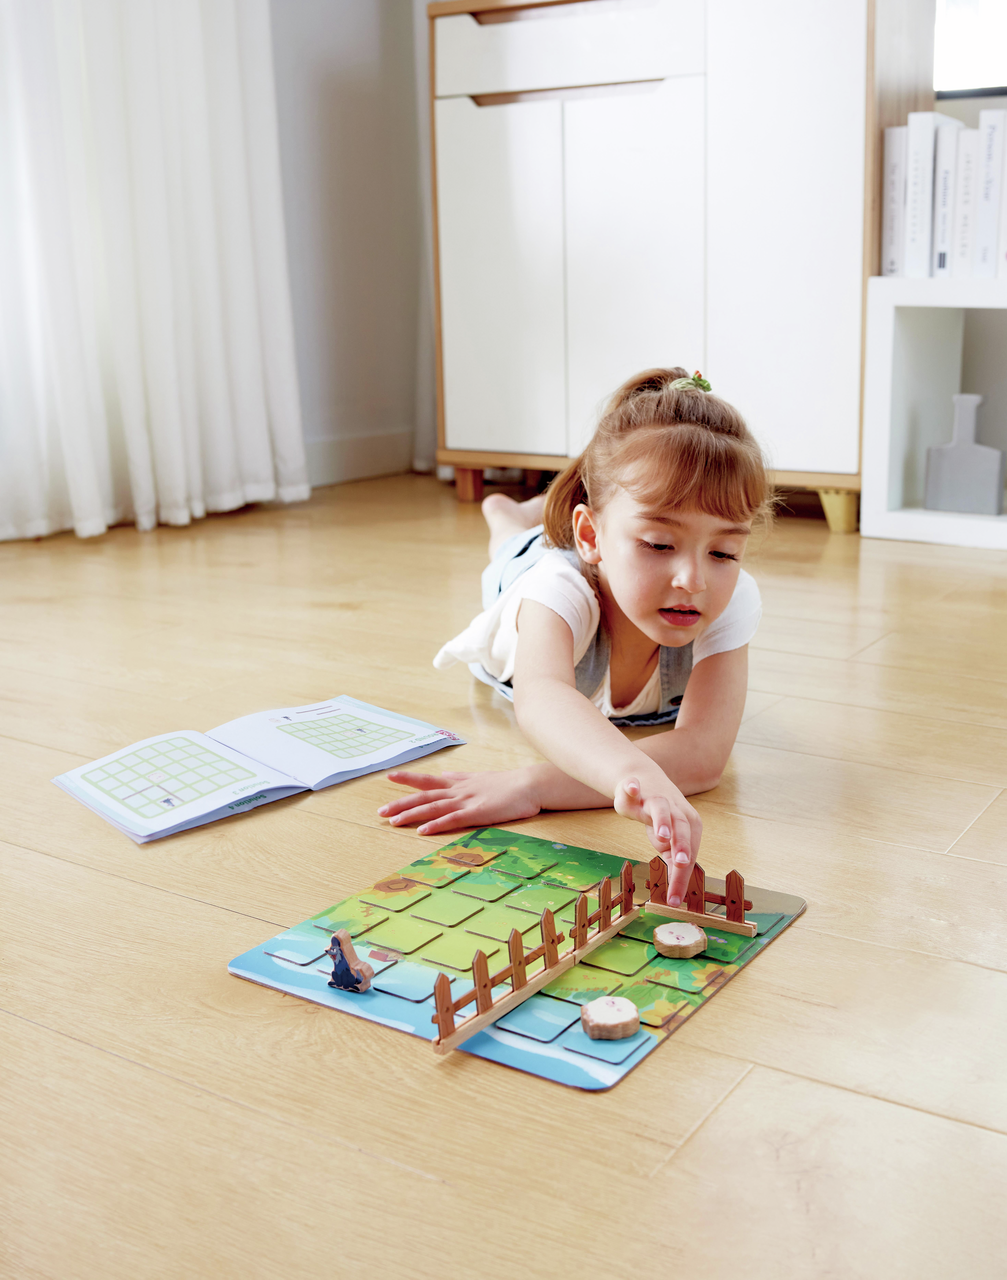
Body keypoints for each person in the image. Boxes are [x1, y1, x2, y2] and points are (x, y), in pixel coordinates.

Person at [379, 368, 770, 907]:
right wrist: (635, 771)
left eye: (724, 551)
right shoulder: (556, 588)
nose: (695, 580)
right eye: (659, 543)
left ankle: (544, 513)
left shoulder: (727, 595)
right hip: (528, 569)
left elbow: (702, 757)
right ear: (592, 537)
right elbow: (544, 698)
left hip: (590, 536)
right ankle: (505, 513)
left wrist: (533, 786)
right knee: (512, 547)